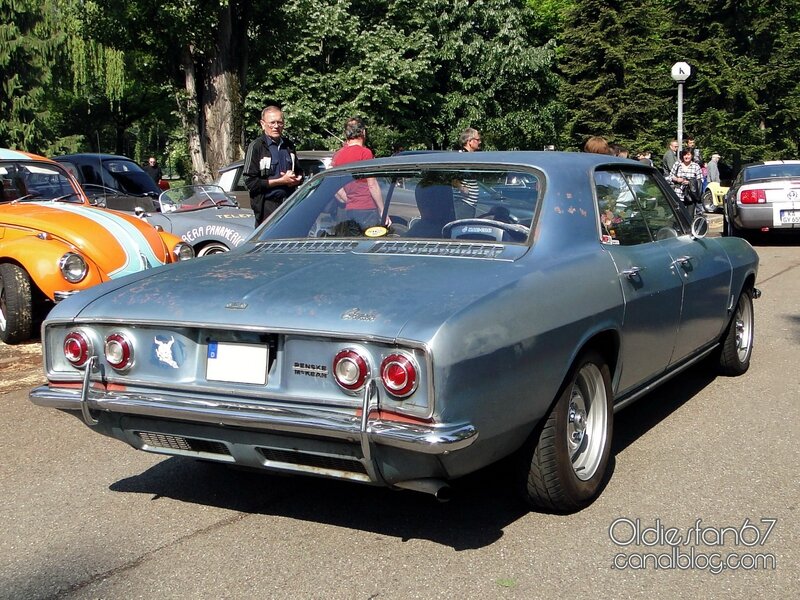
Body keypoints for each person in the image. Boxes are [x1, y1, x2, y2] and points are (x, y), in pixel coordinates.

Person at [243, 106, 303, 226]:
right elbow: (249, 182)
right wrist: (280, 181)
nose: (276, 126)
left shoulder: (289, 146)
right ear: (262, 124)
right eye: (272, 122)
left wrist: (297, 179)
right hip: (267, 208)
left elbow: (299, 172)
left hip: (289, 205)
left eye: (279, 122)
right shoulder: (256, 147)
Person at [330, 116, 388, 229]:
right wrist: (382, 211)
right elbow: (372, 184)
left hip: (348, 211)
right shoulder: (365, 153)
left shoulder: (338, 155)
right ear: (363, 132)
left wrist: (349, 200)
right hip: (367, 209)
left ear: (346, 134)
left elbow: (335, 187)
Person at [670, 149, 703, 218]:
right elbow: (670, 176)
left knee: (689, 217)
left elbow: (700, 180)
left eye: (688, 155)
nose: (686, 157)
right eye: (685, 155)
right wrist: (677, 179)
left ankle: (689, 228)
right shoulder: (677, 164)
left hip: (690, 194)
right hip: (678, 193)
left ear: (692, 156)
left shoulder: (696, 166)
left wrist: (690, 182)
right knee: (678, 216)